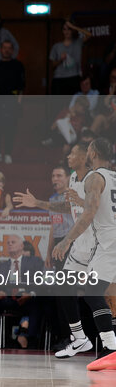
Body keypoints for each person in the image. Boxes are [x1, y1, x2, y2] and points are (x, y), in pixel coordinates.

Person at [14, 142, 95, 357]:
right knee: (62, 293)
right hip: (61, 244)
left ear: (67, 178)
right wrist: (49, 251)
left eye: (59, 175)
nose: (56, 179)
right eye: (53, 176)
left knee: (90, 292)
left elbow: (74, 212)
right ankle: (70, 337)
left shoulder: (80, 187)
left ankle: (95, 337)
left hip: (77, 242)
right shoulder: (54, 198)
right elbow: (53, 228)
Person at [51, 138, 116, 370]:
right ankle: (105, 345)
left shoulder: (95, 178)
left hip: (107, 241)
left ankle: (111, 348)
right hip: (109, 240)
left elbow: (88, 213)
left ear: (94, 152)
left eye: (88, 149)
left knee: (93, 291)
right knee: (106, 293)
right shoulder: (113, 176)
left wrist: (66, 240)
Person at [0, 235, 44, 348]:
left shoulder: (34, 262)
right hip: (8, 298)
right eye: (8, 243)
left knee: (38, 303)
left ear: (21, 246)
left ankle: (30, 340)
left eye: (13, 242)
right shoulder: (1, 266)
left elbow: (40, 282)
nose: (10, 244)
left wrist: (31, 294)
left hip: (27, 298)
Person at [0, 40, 24, 164]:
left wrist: (19, 103)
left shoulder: (18, 66)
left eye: (9, 48)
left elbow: (21, 88)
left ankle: (8, 153)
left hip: (11, 100)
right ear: (0, 50)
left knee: (10, 127)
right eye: (4, 48)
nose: (7, 50)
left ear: (12, 50)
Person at [49, 20, 92, 95]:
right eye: (64, 29)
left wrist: (73, 26)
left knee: (74, 105)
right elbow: (52, 65)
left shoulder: (78, 42)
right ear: (62, 31)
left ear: (72, 30)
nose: (67, 32)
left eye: (69, 29)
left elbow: (89, 34)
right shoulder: (56, 46)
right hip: (59, 79)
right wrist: (60, 60)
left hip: (74, 78)